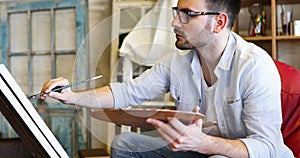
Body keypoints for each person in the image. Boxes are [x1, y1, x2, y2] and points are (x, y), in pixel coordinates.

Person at [40, 0, 294, 157]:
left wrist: (204, 143)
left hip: (239, 156)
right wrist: (72, 97)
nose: (174, 21)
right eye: (176, 11)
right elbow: (127, 91)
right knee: (125, 143)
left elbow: (267, 149)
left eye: (187, 14)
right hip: (198, 150)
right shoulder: (176, 63)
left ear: (219, 22)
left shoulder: (254, 66)